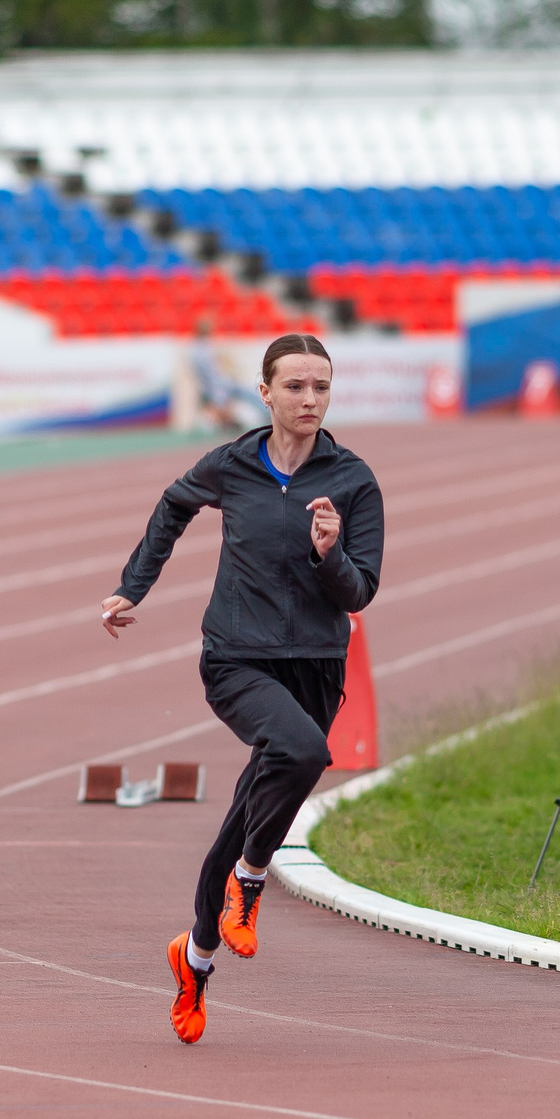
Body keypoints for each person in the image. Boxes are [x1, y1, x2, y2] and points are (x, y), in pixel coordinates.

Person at [101, 334, 383, 1045]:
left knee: (244, 810)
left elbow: (362, 590)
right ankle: (251, 880)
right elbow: (172, 506)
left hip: (317, 660)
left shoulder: (353, 480)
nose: (310, 398)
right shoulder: (232, 465)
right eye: (295, 386)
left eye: (321, 385)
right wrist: (132, 586)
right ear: (265, 393)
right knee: (303, 749)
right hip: (237, 657)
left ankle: (194, 957)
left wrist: (330, 554)